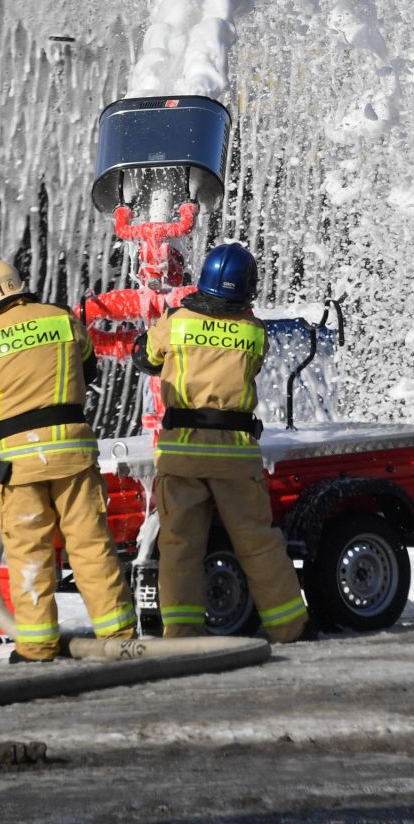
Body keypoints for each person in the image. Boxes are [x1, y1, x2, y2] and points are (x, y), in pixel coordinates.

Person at [0, 257, 136, 662]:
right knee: (91, 546)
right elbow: (89, 369)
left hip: (18, 465)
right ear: (18, 284)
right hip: (73, 457)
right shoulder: (62, 320)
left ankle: (36, 648)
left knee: (30, 555)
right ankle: (120, 637)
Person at [132, 241, 309, 643]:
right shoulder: (254, 331)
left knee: (180, 546)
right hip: (235, 453)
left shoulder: (177, 322)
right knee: (257, 541)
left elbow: (145, 357)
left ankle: (182, 630)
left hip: (183, 453)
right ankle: (288, 624)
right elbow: (254, 366)